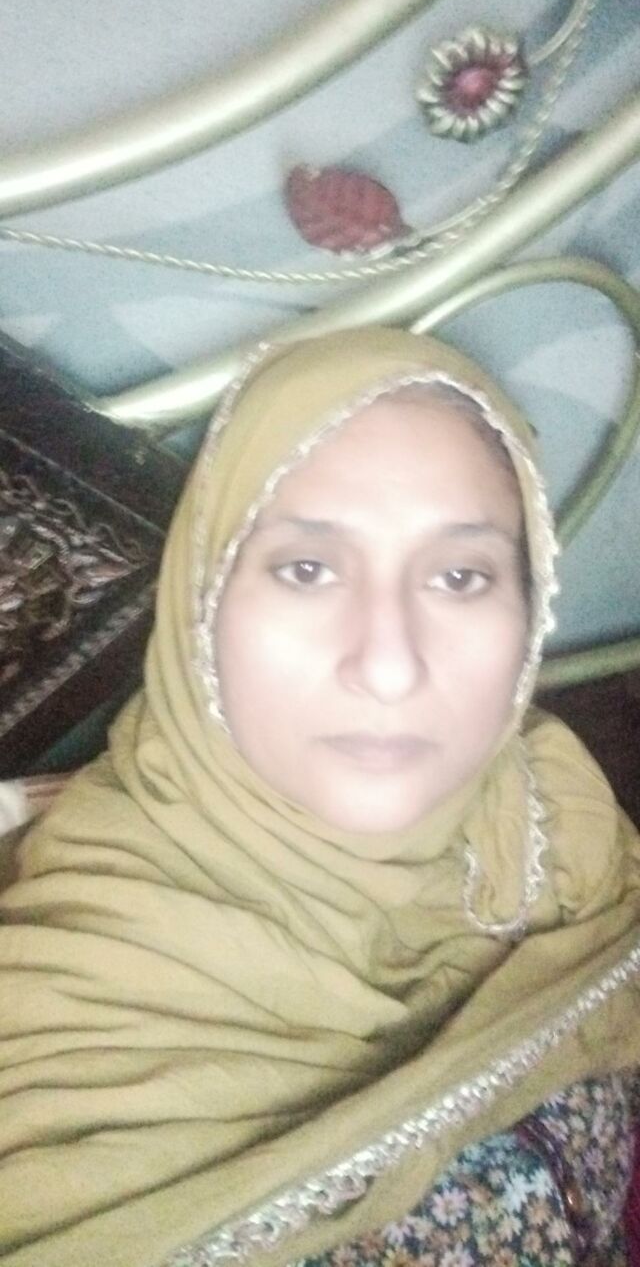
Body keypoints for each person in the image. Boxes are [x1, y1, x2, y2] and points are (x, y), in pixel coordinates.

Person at [0, 327, 639, 1267]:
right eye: (307, 569)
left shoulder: (553, 811)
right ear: (201, 601)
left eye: (460, 576)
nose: (388, 664)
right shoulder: (64, 1028)